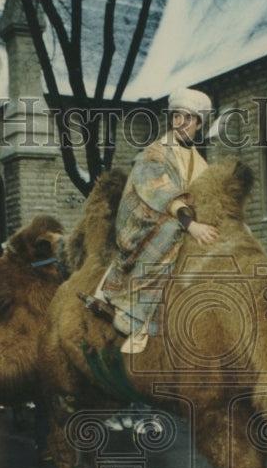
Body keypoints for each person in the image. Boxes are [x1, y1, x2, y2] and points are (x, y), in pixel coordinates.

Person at [85, 88, 219, 353]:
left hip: (181, 217)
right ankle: (130, 312)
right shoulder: (155, 152)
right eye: (176, 116)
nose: (180, 122)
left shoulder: (199, 161)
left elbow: (206, 193)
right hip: (144, 219)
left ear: (199, 124)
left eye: (188, 118)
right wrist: (191, 224)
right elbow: (157, 190)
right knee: (173, 230)